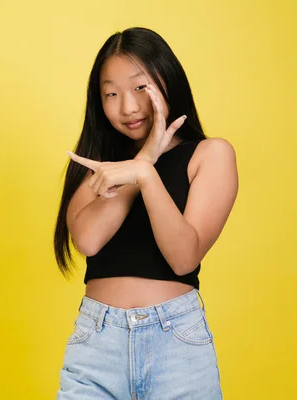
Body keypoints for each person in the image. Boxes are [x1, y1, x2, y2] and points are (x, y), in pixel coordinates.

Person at [53, 27, 238, 399]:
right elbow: (88, 240)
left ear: (167, 79)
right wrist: (142, 160)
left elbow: (183, 257)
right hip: (96, 344)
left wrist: (146, 174)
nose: (128, 106)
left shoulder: (210, 154)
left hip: (176, 344)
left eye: (140, 87)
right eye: (111, 94)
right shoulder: (97, 167)